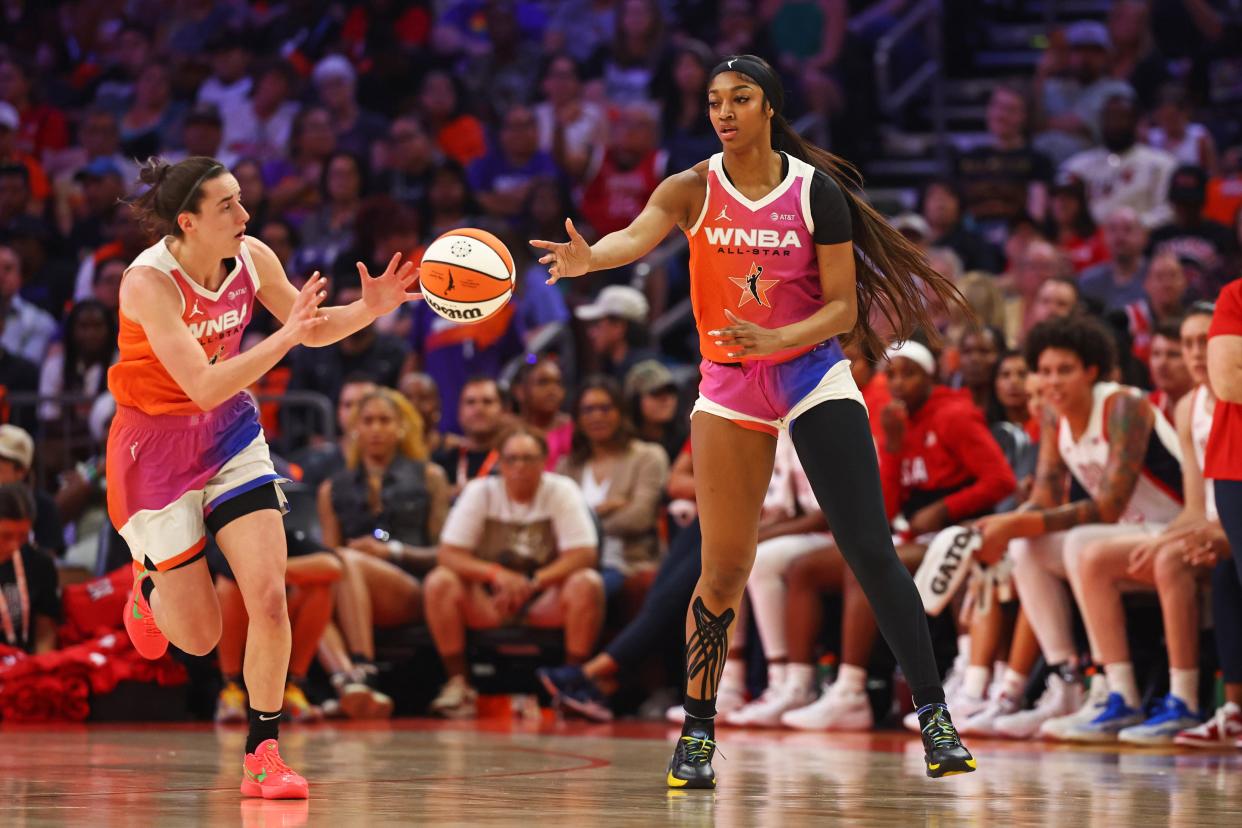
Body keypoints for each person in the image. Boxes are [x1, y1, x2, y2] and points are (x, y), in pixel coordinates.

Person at [530, 54, 976, 785]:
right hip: (731, 386)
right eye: (714, 101)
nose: (725, 112)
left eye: (740, 98)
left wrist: (780, 340)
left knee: (870, 548)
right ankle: (698, 735)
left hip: (810, 374)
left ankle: (935, 719)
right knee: (723, 568)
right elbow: (633, 237)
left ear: (769, 107)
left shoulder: (814, 192)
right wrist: (590, 261)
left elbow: (841, 306)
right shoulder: (691, 187)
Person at [108, 155, 421, 799]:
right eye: (228, 207)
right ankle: (148, 584)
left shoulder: (252, 256)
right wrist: (285, 339)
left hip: (230, 435)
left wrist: (371, 309)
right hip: (155, 450)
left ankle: (263, 752)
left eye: (242, 200)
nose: (245, 216)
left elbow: (311, 329)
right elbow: (200, 384)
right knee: (198, 638)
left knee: (270, 595)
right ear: (188, 223)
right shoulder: (148, 284)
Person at [777, 341, 1015, 732]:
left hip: (966, 529)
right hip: (919, 535)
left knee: (864, 569)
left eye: (910, 373)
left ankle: (852, 690)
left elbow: (1001, 480)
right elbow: (884, 510)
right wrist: (891, 445)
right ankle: (795, 684)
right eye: (893, 374)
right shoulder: (897, 420)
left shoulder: (954, 415)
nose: (899, 383)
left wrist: (946, 508)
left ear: (931, 375)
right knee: (805, 569)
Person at [975, 315, 1184, 741]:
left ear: (1091, 370)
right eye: (1046, 371)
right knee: (1027, 548)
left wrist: (1016, 522)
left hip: (1176, 528)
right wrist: (1006, 525)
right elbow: (1047, 498)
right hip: (1123, 538)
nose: (1052, 382)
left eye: (1065, 370)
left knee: (1078, 544)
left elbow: (1108, 506)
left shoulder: (1124, 405)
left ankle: (1118, 693)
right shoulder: (1055, 415)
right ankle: (1066, 681)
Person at [1057, 307, 1215, 744]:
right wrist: (1174, 536)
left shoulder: (1129, 406)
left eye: (1205, 342)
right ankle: (1111, 692)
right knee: (1088, 554)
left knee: (1157, 558)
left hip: (1210, 531)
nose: (1195, 354)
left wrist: (1173, 537)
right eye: (1188, 344)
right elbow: (1198, 506)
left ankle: (1185, 701)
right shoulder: (1189, 407)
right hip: (1189, 527)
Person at [423, 427, 603, 718]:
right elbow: (449, 554)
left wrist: (532, 582)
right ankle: (459, 684)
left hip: (543, 601)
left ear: (544, 461)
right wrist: (496, 574)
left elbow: (584, 554)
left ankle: (571, 683)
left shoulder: (562, 490)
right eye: (512, 459)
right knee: (439, 581)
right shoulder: (479, 491)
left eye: (529, 459)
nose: (520, 467)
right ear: (500, 463)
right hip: (489, 601)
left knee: (587, 583)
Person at [317, 388, 449, 719]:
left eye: (385, 420)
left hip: (411, 587)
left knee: (348, 561)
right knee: (315, 585)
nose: (376, 428)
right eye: (368, 421)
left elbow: (445, 553)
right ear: (355, 428)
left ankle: (364, 669)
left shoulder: (430, 477)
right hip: (349, 587)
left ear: (401, 427)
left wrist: (390, 551)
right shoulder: (332, 488)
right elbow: (330, 553)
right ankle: (349, 682)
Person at [556, 376, 669, 597]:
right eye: (588, 410)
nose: (597, 416)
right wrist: (603, 509)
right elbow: (556, 524)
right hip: (573, 562)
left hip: (626, 563)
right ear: (577, 419)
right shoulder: (567, 466)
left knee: (585, 591)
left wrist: (581, 521)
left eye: (605, 408)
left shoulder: (647, 456)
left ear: (621, 413)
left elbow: (639, 518)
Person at [0, 483, 59, 654]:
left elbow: (45, 632)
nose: (14, 546)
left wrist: (39, 669)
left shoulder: (40, 564)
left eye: (22, 536)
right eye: (6, 536)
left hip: (22, 666)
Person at [431, 376, 507, 497]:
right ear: (459, 412)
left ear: (503, 411)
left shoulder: (513, 459)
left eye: (487, 402)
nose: (479, 409)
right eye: (470, 402)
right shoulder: (441, 462)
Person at [511, 356, 573, 470]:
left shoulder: (575, 430)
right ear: (520, 391)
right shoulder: (508, 431)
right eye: (543, 382)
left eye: (558, 383)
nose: (553, 389)